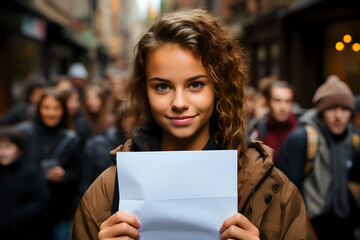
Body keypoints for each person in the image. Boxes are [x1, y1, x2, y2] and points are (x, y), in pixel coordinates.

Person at [72, 9, 316, 240]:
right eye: (163, 86)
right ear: (144, 91)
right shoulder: (106, 191)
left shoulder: (274, 190)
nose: (179, 102)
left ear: (220, 86)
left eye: (195, 84)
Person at [276, 75, 360, 239]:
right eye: (331, 108)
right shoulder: (301, 139)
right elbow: (284, 194)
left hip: (346, 227)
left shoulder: (354, 141)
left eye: (344, 109)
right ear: (320, 112)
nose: (338, 116)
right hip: (310, 227)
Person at [16, 88, 81, 240]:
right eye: (46, 107)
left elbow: (78, 173)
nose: (51, 113)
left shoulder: (71, 138)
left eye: (56, 108)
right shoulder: (25, 133)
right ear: (39, 109)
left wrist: (64, 175)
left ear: (63, 110)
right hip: (28, 207)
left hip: (58, 208)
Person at [0, 126, 49, 240]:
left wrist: (15, 215)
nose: (2, 152)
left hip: (24, 230)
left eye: (7, 147)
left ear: (19, 149)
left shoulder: (30, 171)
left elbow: (41, 199)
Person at [250, 81, 298, 160]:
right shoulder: (258, 131)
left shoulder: (302, 129)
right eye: (277, 101)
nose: (283, 107)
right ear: (268, 103)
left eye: (288, 101)